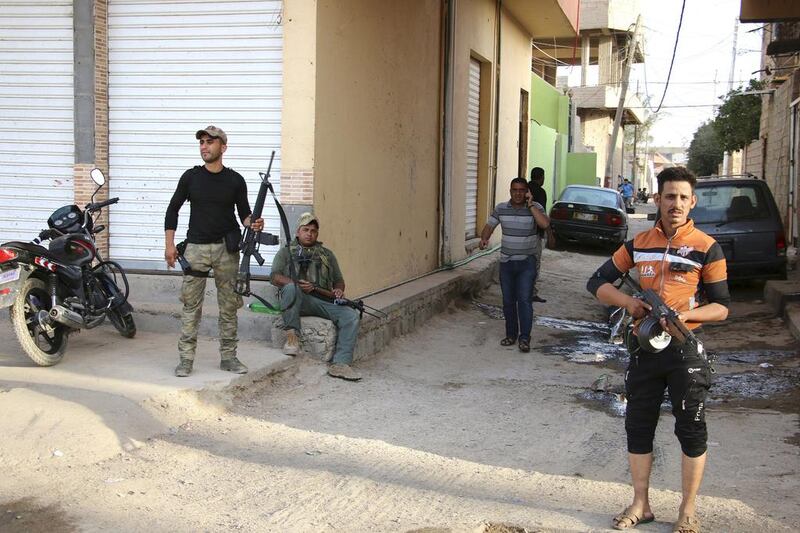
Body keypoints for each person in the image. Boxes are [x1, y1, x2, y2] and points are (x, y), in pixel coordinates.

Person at [586, 167, 729, 533]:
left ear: (692, 201)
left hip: (685, 351)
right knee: (638, 427)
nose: (676, 203)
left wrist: (686, 314)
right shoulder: (639, 243)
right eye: (669, 196)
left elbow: (722, 307)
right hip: (644, 350)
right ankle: (641, 503)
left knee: (692, 430)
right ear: (658, 199)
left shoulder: (706, 247)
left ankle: (687, 510)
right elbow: (597, 281)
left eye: (683, 197)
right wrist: (628, 303)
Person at [164, 125, 264, 377]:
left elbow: (244, 214)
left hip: (225, 250)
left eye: (210, 142)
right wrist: (169, 245)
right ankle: (186, 360)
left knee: (229, 306)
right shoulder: (191, 177)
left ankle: (229, 358)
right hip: (195, 249)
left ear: (223, 146)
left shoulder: (235, 180)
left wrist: (253, 222)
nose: (204, 146)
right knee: (190, 307)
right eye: (202, 142)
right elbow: (172, 210)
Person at [270, 212, 362, 381]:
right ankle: (292, 338)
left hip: (321, 300)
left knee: (350, 316)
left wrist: (339, 291)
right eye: (305, 229)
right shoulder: (285, 253)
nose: (309, 233)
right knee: (290, 288)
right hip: (294, 299)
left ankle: (340, 364)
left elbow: (339, 280)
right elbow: (274, 276)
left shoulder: (327, 254)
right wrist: (295, 284)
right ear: (298, 232)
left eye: (313, 230)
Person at [479, 178, 550, 353]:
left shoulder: (536, 208)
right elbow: (490, 225)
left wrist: (531, 205)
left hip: (527, 263)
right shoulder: (501, 208)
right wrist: (484, 238)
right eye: (514, 190)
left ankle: (524, 338)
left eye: (521, 190)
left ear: (527, 192)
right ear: (510, 191)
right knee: (508, 301)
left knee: (524, 300)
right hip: (506, 264)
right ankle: (511, 335)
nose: (518, 193)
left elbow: (545, 224)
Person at [528, 167, 547, 303]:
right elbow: (542, 215)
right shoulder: (540, 192)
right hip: (535, 233)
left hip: (521, 232)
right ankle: (531, 292)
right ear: (541, 178)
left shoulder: (523, 189)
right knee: (534, 264)